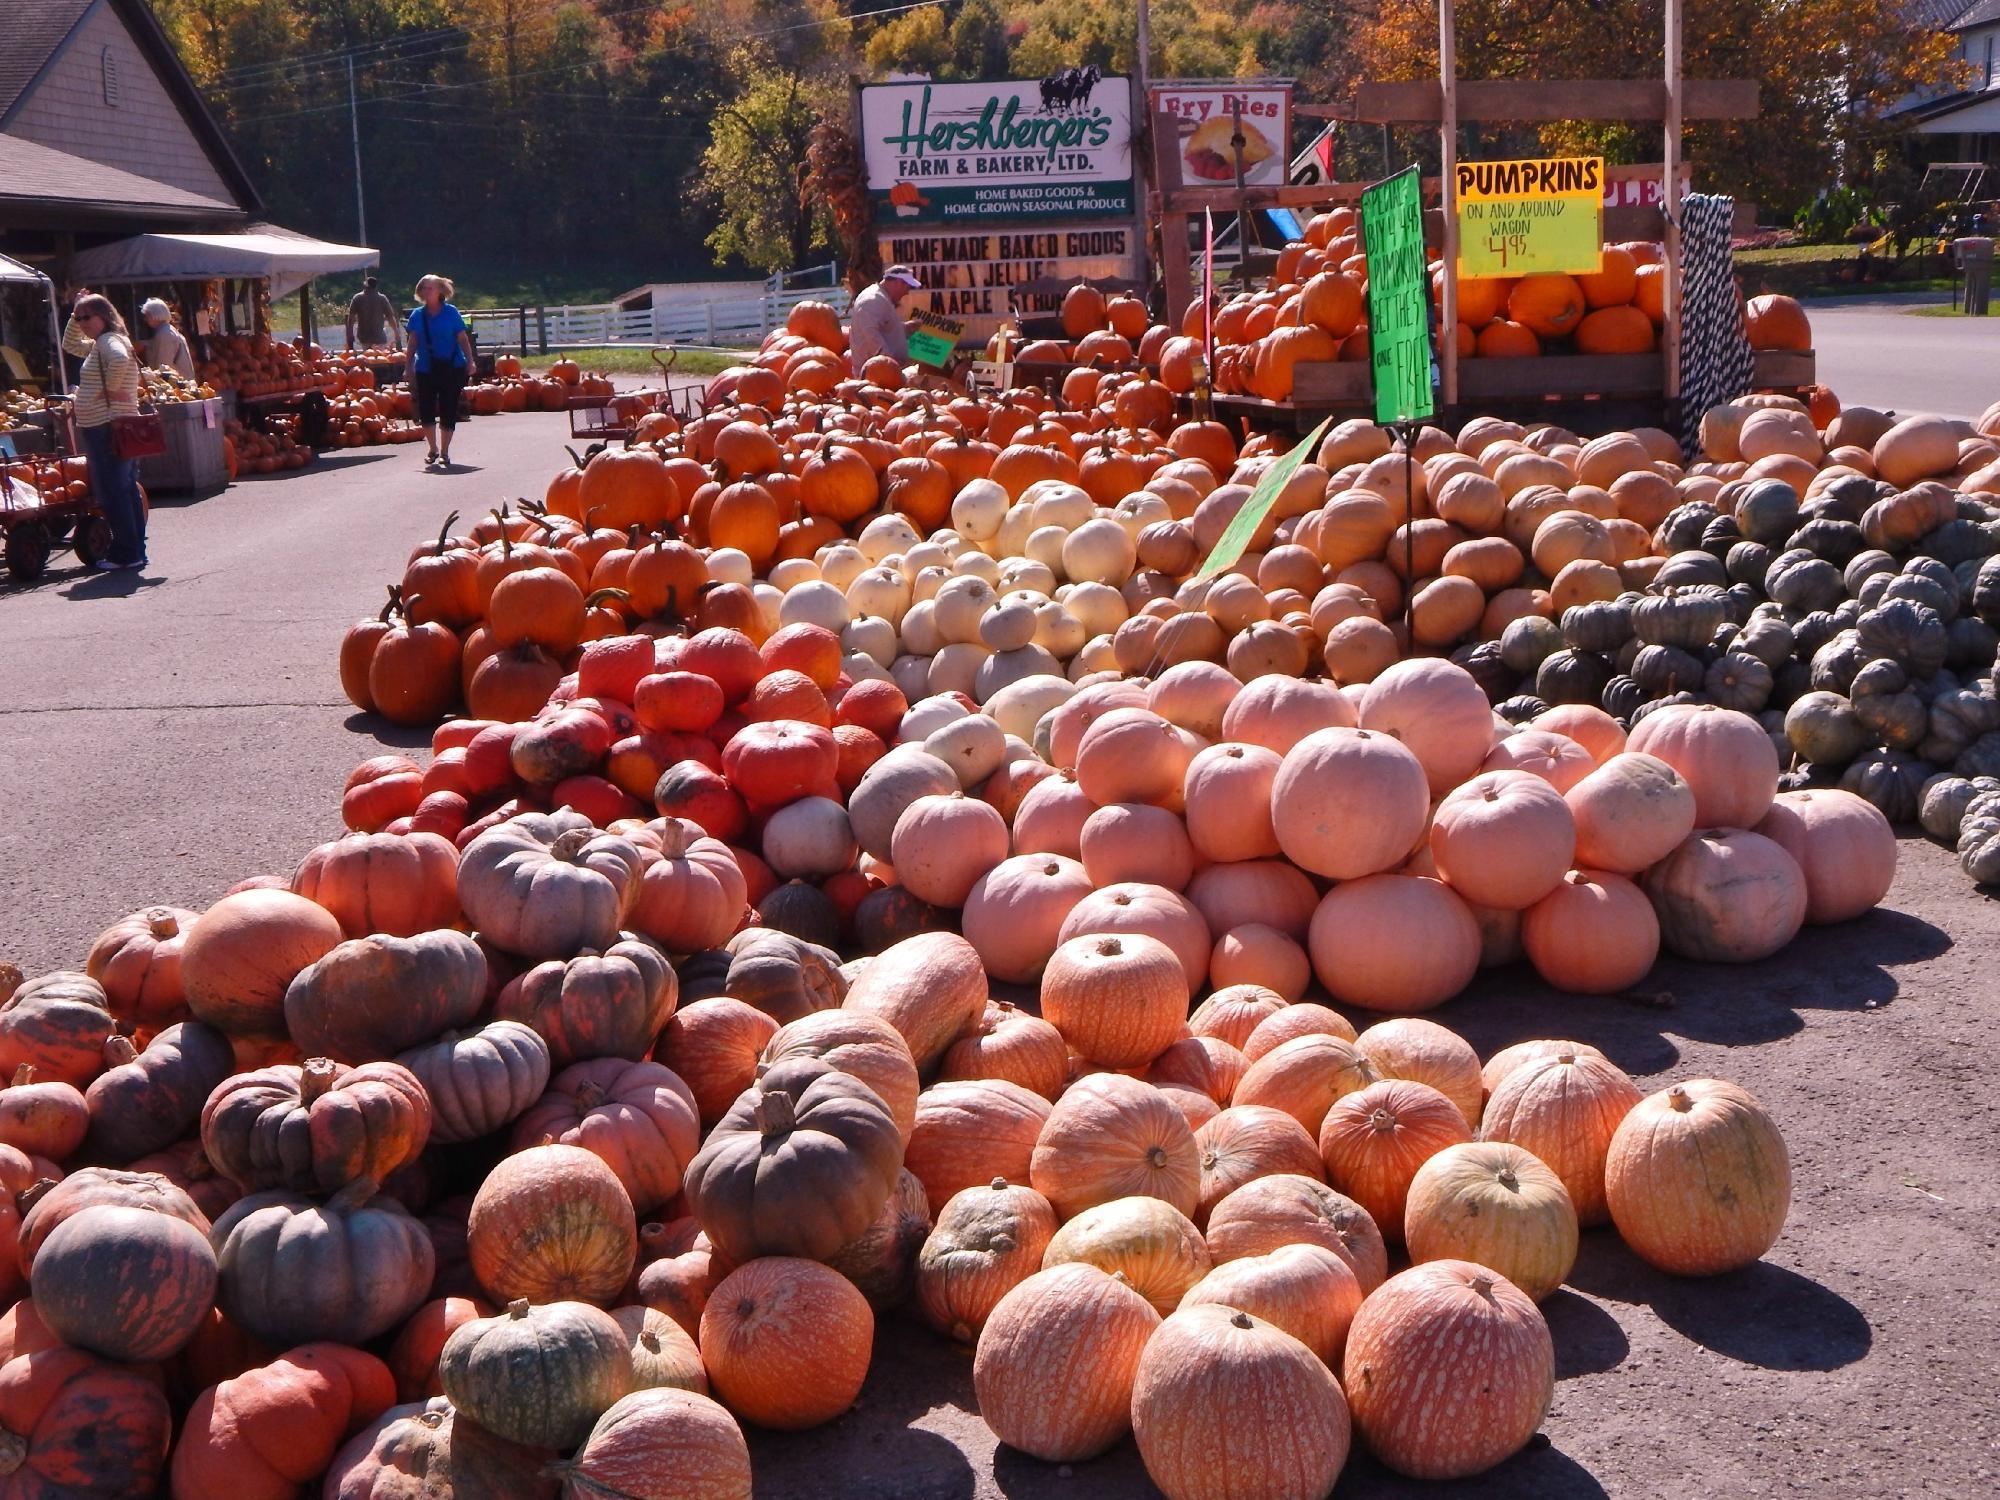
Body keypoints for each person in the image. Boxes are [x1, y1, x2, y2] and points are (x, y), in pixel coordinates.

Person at [60, 292, 147, 571]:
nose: (82, 323)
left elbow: (119, 360)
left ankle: (126, 553)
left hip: (107, 426)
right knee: (124, 489)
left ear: (104, 316)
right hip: (112, 424)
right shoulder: (100, 343)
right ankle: (134, 551)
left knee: (113, 492)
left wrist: (108, 390)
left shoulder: (109, 341)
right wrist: (74, 312)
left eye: (87, 317)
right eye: (79, 319)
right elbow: (69, 344)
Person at [404, 274, 473, 470]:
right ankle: (432, 448)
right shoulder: (417, 315)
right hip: (426, 368)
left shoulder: (451, 313)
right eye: (423, 288)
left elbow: (462, 339)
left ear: (440, 291)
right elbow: (412, 343)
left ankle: (444, 452)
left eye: (430, 288)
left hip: (452, 366)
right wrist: (407, 366)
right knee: (425, 409)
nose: (426, 291)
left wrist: (470, 361)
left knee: (448, 407)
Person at [847, 265, 921, 366]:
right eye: (908, 287)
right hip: (877, 373)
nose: (907, 292)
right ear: (898, 282)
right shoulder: (872, 300)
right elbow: (871, 336)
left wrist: (905, 328)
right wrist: (891, 362)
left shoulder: (881, 298)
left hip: (885, 370)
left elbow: (884, 329)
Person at [137, 298, 194, 379]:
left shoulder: (164, 334)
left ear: (155, 315)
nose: (145, 319)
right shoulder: (167, 330)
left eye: (147, 315)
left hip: (177, 383)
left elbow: (164, 367)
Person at [347, 275, 398, 352]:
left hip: (364, 336)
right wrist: (396, 332)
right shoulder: (382, 298)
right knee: (380, 356)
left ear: (365, 285)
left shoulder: (357, 298)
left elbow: (351, 317)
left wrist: (350, 333)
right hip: (379, 336)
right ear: (376, 286)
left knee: (368, 356)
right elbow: (390, 317)